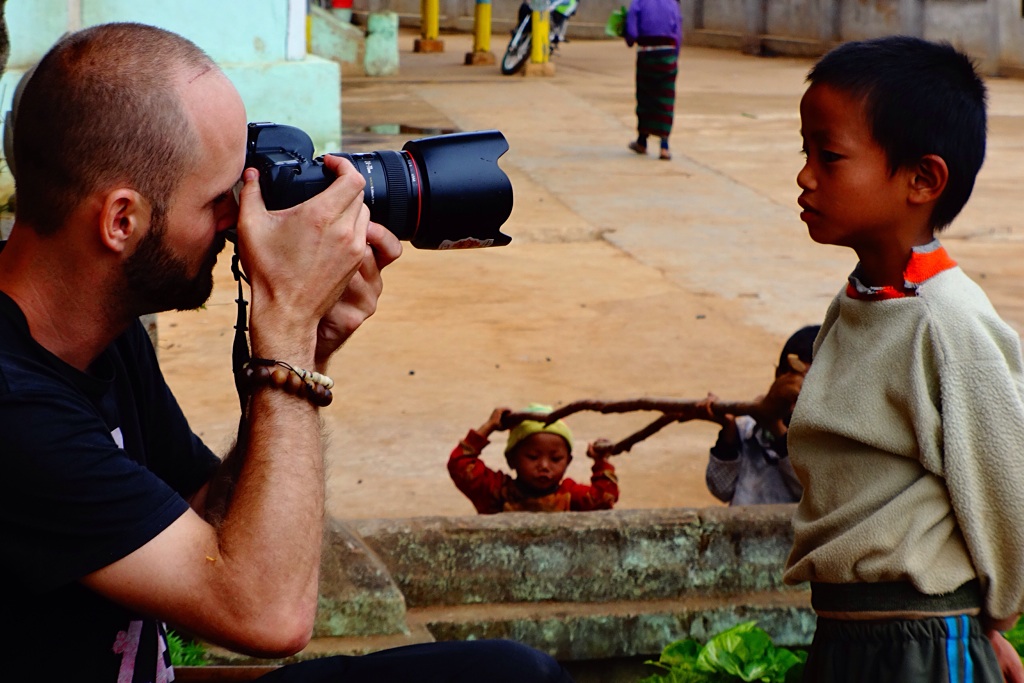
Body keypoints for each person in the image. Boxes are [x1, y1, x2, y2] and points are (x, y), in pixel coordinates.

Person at [0, 23, 573, 683]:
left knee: (509, 675)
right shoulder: (14, 407)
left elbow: (205, 521)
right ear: (121, 221)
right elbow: (266, 614)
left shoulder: (95, 329)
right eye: (222, 198)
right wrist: (288, 334)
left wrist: (313, 350)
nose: (245, 216)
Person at [784, 36, 1024, 682]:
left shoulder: (949, 323)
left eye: (828, 157)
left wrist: (984, 620)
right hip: (847, 633)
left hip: (916, 645)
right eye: (804, 152)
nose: (805, 175)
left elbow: (1007, 488)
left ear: (922, 179)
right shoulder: (852, 305)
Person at [698, 325, 819, 506]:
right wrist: (729, 431)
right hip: (744, 533)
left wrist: (776, 429)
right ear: (777, 375)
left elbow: (814, 492)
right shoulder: (748, 428)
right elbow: (721, 489)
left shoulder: (832, 441)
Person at [448, 404, 619, 513]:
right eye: (533, 457)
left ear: (568, 462)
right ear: (511, 459)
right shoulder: (495, 492)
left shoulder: (570, 497)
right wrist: (489, 426)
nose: (544, 466)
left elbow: (605, 497)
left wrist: (601, 461)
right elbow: (460, 466)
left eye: (556, 459)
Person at [623, 0, 682, 161]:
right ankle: (664, 146)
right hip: (667, 55)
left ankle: (642, 141)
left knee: (645, 97)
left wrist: (628, 38)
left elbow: (632, 33)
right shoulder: (673, 4)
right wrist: (674, 58)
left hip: (647, 55)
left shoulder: (639, 3)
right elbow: (678, 34)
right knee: (665, 99)